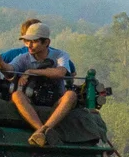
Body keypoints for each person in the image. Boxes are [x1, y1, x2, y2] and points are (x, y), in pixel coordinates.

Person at [6, 19, 92, 147]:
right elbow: (9, 69)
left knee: (71, 95)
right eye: (27, 41)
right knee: (16, 96)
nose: (29, 45)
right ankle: (41, 130)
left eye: (34, 42)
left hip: (55, 101)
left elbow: (61, 72)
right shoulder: (21, 58)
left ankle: (42, 130)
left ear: (46, 42)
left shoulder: (60, 55)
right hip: (31, 101)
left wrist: (31, 71)